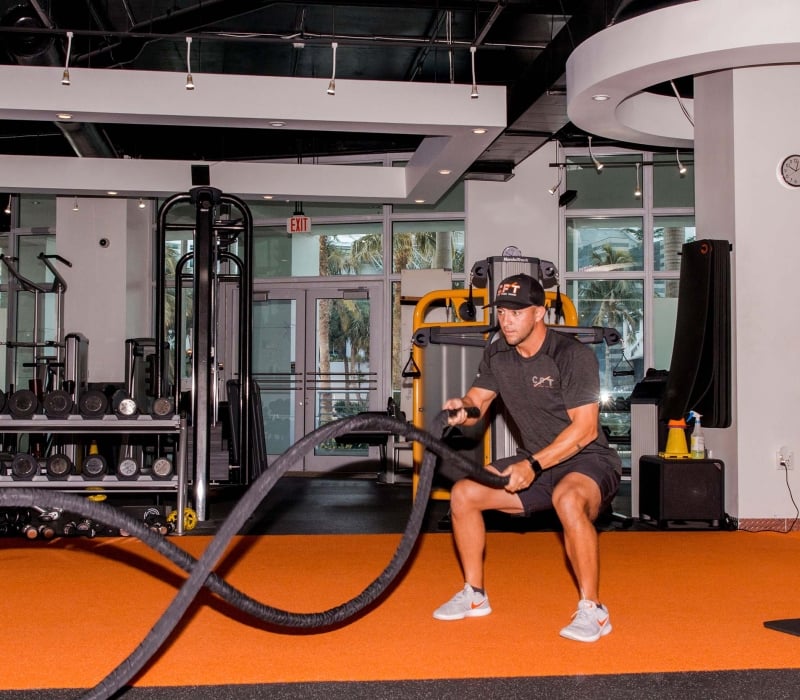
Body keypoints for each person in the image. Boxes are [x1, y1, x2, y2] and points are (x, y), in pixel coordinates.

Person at [432, 273, 621, 643]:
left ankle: (593, 610)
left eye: (517, 312)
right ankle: (474, 595)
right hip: (535, 461)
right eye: (502, 311)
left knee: (568, 499)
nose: (506, 320)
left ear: (540, 312)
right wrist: (461, 409)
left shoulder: (571, 356)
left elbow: (583, 430)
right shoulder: (498, 353)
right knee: (464, 495)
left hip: (588, 460)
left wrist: (533, 465)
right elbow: (479, 403)